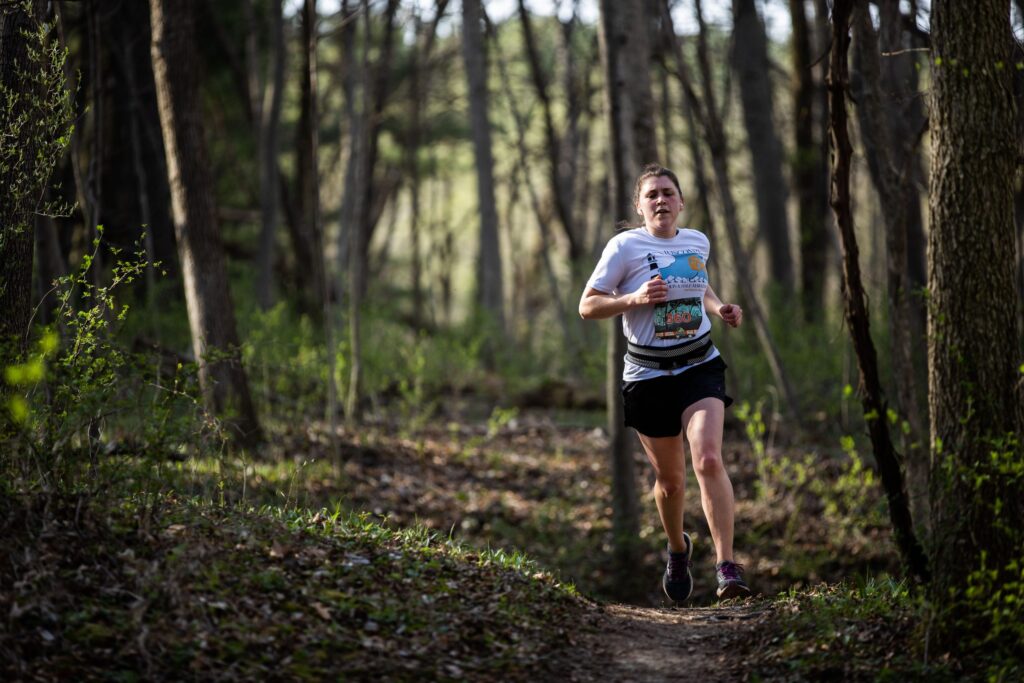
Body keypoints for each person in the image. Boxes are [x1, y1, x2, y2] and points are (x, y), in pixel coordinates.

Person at [578, 163, 751, 603]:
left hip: (699, 365)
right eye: (652, 194)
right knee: (671, 483)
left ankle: (727, 568)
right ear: (639, 206)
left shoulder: (697, 241)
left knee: (709, 459)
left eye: (668, 193)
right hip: (648, 375)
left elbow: (699, 286)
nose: (661, 200)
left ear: (681, 202)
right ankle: (677, 548)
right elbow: (587, 305)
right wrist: (634, 299)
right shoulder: (624, 246)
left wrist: (718, 309)